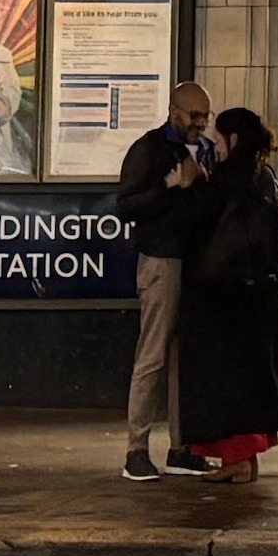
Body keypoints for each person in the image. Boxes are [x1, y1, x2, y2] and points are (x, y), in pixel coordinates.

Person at [152, 107, 278, 473]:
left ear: (233, 140)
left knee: (223, 381)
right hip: (258, 295)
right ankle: (244, 461)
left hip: (221, 297)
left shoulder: (224, 182)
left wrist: (179, 186)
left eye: (219, 140)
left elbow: (189, 221)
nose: (216, 147)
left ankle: (236, 462)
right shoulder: (263, 177)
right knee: (249, 380)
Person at [113, 79, 219, 480]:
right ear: (174, 112)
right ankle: (136, 450)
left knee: (184, 359)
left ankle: (182, 448)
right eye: (194, 116)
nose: (201, 123)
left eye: (205, 117)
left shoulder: (206, 151)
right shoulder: (149, 149)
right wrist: (169, 186)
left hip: (195, 264)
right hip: (161, 262)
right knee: (153, 355)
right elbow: (126, 205)